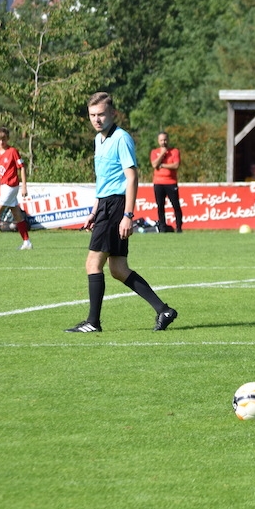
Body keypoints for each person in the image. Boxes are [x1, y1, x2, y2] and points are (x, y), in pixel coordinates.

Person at [66, 92, 178, 334]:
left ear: (113, 113)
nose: (96, 119)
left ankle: (93, 322)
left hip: (117, 207)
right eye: (92, 115)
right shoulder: (99, 140)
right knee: (118, 269)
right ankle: (164, 310)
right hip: (105, 205)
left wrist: (128, 215)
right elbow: (104, 180)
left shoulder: (121, 138)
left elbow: (132, 177)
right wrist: (94, 211)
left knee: (93, 263)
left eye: (101, 114)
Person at [150, 131, 182, 233]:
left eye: (165, 139)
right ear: (158, 141)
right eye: (161, 140)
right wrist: (162, 154)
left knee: (176, 205)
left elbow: (176, 165)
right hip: (158, 182)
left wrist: (163, 165)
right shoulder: (154, 152)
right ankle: (162, 228)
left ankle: (179, 228)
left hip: (171, 182)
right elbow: (154, 165)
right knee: (160, 206)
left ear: (168, 140)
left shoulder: (175, 151)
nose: (163, 142)